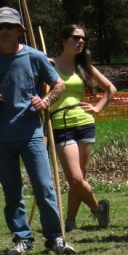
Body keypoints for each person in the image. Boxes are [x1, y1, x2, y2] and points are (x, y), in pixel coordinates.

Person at [0, 6, 75, 255]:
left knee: (44, 187)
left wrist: (45, 101)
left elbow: (59, 84)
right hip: (1, 137)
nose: (4, 31)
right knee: (12, 193)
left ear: (20, 31)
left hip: (31, 135)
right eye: (0, 27)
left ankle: (54, 238)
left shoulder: (35, 57)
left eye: (9, 27)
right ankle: (22, 238)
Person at [51, 24, 116, 232]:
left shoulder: (84, 67)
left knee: (79, 178)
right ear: (63, 40)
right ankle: (99, 208)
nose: (80, 41)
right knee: (76, 178)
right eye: (75, 37)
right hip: (61, 124)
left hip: (85, 124)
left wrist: (97, 108)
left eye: (83, 39)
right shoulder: (50, 64)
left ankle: (70, 222)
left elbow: (110, 89)